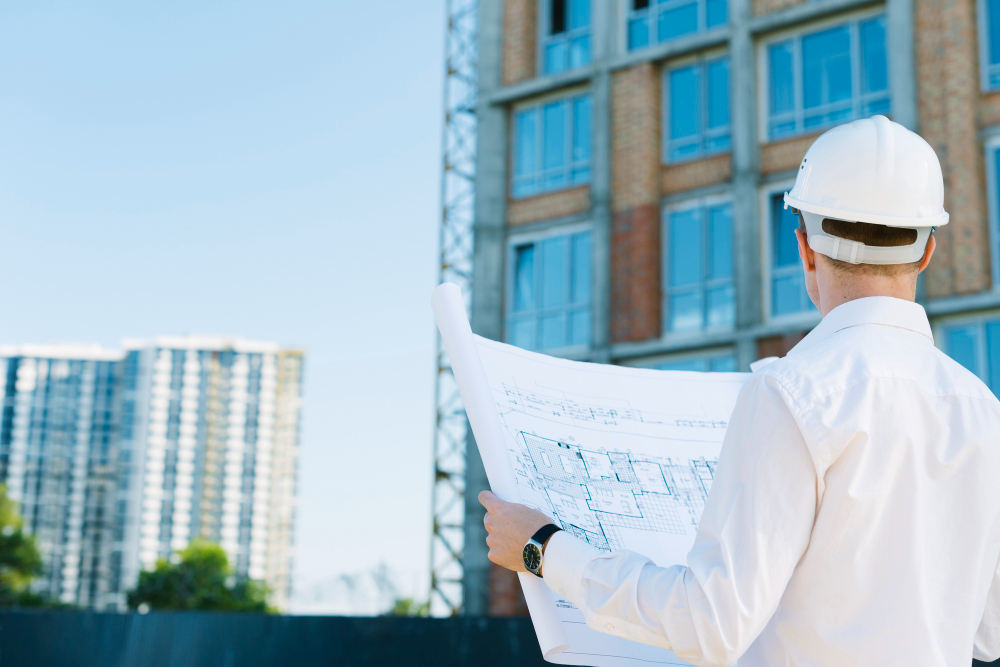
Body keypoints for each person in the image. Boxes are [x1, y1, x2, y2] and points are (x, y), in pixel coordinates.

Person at [479, 116, 1000, 666]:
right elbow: (990, 631)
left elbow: (711, 624)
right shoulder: (983, 411)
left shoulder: (794, 392)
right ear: (925, 253)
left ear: (804, 249)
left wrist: (543, 548)